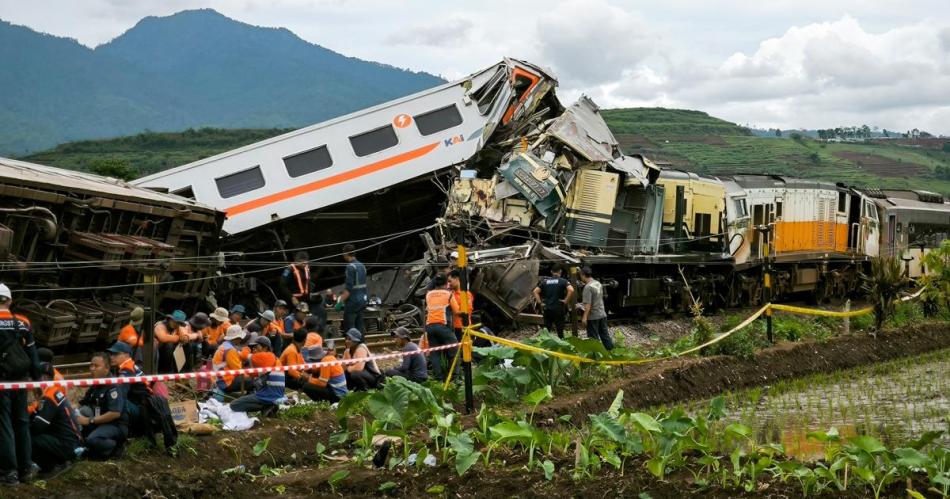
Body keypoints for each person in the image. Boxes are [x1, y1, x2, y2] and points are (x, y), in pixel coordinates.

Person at [0, 283, 41, 484]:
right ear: (10, 300)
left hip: (1, 381)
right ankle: (26, 467)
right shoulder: (23, 322)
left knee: (3, 424)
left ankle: (9, 472)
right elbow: (33, 355)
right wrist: (38, 382)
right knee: (22, 422)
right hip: (21, 380)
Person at [29, 362, 81, 476]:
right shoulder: (51, 392)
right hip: (68, 441)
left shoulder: (50, 396)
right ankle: (56, 463)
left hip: (67, 445)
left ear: (42, 378)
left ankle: (52, 466)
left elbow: (38, 426)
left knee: (29, 440)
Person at [76, 352, 127, 460]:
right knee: (82, 411)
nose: (92, 369)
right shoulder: (96, 384)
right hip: (99, 421)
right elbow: (84, 403)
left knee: (92, 440)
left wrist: (89, 421)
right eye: (91, 365)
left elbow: (115, 413)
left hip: (114, 425)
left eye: (96, 366)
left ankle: (116, 448)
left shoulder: (113, 385)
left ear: (107, 368)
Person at [230, 336, 285, 414]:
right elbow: (253, 374)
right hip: (275, 392)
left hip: (269, 393)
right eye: (254, 347)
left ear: (265, 347)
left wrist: (247, 348)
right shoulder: (272, 357)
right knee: (252, 385)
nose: (254, 349)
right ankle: (268, 405)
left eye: (257, 346)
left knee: (234, 405)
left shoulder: (266, 356)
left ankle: (267, 406)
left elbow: (243, 355)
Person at [424, 273, 460, 379]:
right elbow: (457, 311)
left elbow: (428, 309)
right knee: (454, 352)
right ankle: (454, 377)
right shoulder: (448, 294)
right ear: (445, 283)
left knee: (435, 354)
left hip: (430, 327)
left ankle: (438, 378)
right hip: (443, 326)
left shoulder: (428, 295)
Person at [533, 265, 575, 339]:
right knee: (560, 330)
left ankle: (546, 347)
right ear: (560, 272)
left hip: (547, 308)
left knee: (547, 330)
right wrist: (566, 301)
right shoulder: (563, 281)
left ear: (551, 272)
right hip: (558, 308)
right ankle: (561, 346)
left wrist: (540, 303)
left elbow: (535, 291)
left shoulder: (544, 282)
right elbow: (571, 290)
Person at [336, 244, 368, 334]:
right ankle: (361, 345)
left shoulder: (350, 267)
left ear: (346, 254)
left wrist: (340, 302)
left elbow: (348, 289)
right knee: (359, 326)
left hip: (353, 302)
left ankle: (351, 347)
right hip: (362, 300)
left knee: (349, 328)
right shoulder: (362, 266)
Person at [579, 266, 612, 350]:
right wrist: (581, 304)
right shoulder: (598, 283)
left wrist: (584, 318)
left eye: (580, 275)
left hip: (593, 316)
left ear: (583, 275)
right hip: (602, 314)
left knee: (593, 339)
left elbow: (588, 304)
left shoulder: (587, 287)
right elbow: (596, 299)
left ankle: (597, 356)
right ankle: (611, 353)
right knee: (605, 335)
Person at [213, 325, 249, 394]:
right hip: (226, 383)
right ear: (236, 338)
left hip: (219, 380)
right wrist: (249, 375)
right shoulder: (230, 350)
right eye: (240, 338)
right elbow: (238, 370)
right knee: (252, 381)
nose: (241, 339)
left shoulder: (224, 345)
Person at [448, 269, 474, 340]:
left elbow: (467, 311)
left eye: (450, 281)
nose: (449, 284)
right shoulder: (450, 294)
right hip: (452, 328)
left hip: (463, 327)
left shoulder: (466, 294)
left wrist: (456, 311)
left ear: (456, 279)